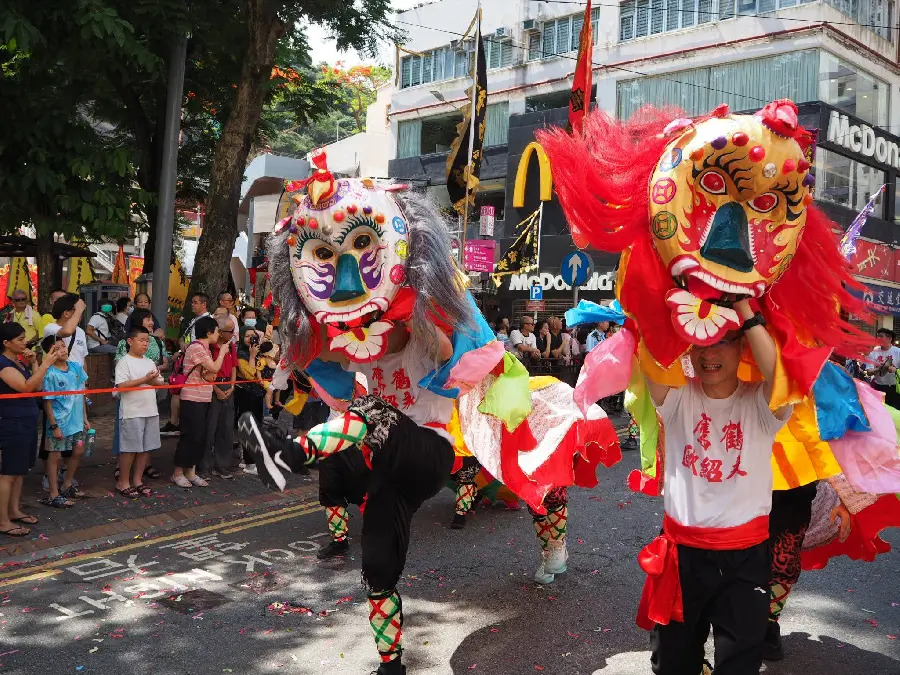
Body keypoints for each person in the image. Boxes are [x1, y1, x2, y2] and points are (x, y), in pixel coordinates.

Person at [640, 299, 792, 675]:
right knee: (672, 664)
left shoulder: (761, 403)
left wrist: (742, 302)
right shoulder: (676, 399)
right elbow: (650, 347)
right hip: (682, 556)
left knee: (739, 666)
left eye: (723, 340)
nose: (710, 353)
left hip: (744, 557)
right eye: (701, 341)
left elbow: (780, 374)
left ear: (743, 346)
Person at [0, 324, 61, 537]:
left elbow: (36, 386)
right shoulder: (4, 365)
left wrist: (35, 363)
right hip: (12, 422)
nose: (23, 342)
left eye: (24, 338)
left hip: (26, 420)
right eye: (18, 339)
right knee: (8, 472)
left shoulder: (19, 362)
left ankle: (14, 510)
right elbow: (25, 387)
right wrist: (45, 364)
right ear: (6, 343)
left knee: (19, 471)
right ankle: (3, 520)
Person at [171, 316, 227, 488]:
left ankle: (191, 472)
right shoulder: (197, 348)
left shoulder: (205, 349)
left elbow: (209, 375)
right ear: (209, 332)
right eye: (217, 331)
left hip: (203, 397)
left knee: (199, 437)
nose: (219, 335)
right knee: (190, 436)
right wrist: (223, 352)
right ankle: (177, 473)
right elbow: (215, 368)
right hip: (192, 397)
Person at [114, 308, 168, 482]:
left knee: (145, 448)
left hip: (150, 410)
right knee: (130, 449)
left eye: (147, 341)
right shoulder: (123, 362)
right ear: (130, 341)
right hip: (132, 412)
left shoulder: (150, 361)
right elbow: (121, 386)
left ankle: (137, 480)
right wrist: (145, 379)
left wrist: (150, 381)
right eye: (142, 340)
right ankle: (123, 482)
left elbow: (159, 382)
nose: (145, 344)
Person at [39, 334, 90, 508]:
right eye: (57, 348)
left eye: (63, 346)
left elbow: (81, 393)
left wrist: (84, 418)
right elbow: (47, 402)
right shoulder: (49, 374)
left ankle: (67, 484)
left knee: (78, 451)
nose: (63, 350)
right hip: (59, 423)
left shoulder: (76, 367)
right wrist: (53, 425)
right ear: (49, 353)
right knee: (55, 457)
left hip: (76, 422)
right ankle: (54, 494)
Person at [198, 316, 237, 479]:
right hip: (212, 387)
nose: (233, 334)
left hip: (228, 386)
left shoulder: (231, 346)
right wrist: (216, 389)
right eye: (230, 331)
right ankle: (204, 466)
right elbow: (203, 373)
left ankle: (222, 465)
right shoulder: (209, 347)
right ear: (219, 332)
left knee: (226, 428)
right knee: (209, 427)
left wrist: (233, 385)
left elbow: (234, 366)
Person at [42, 294, 88, 367]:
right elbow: (67, 332)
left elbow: (83, 359)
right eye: (75, 310)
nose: (80, 314)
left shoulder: (80, 331)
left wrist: (85, 377)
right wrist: (79, 309)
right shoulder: (50, 328)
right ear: (66, 313)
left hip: (79, 376)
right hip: (59, 377)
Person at [865, 328, 900, 409]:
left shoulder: (898, 352)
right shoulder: (873, 353)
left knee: (895, 413)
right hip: (878, 387)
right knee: (880, 412)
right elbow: (869, 372)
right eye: (878, 336)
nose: (878, 339)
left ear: (890, 338)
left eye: (881, 336)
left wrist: (895, 370)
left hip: (895, 388)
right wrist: (879, 369)